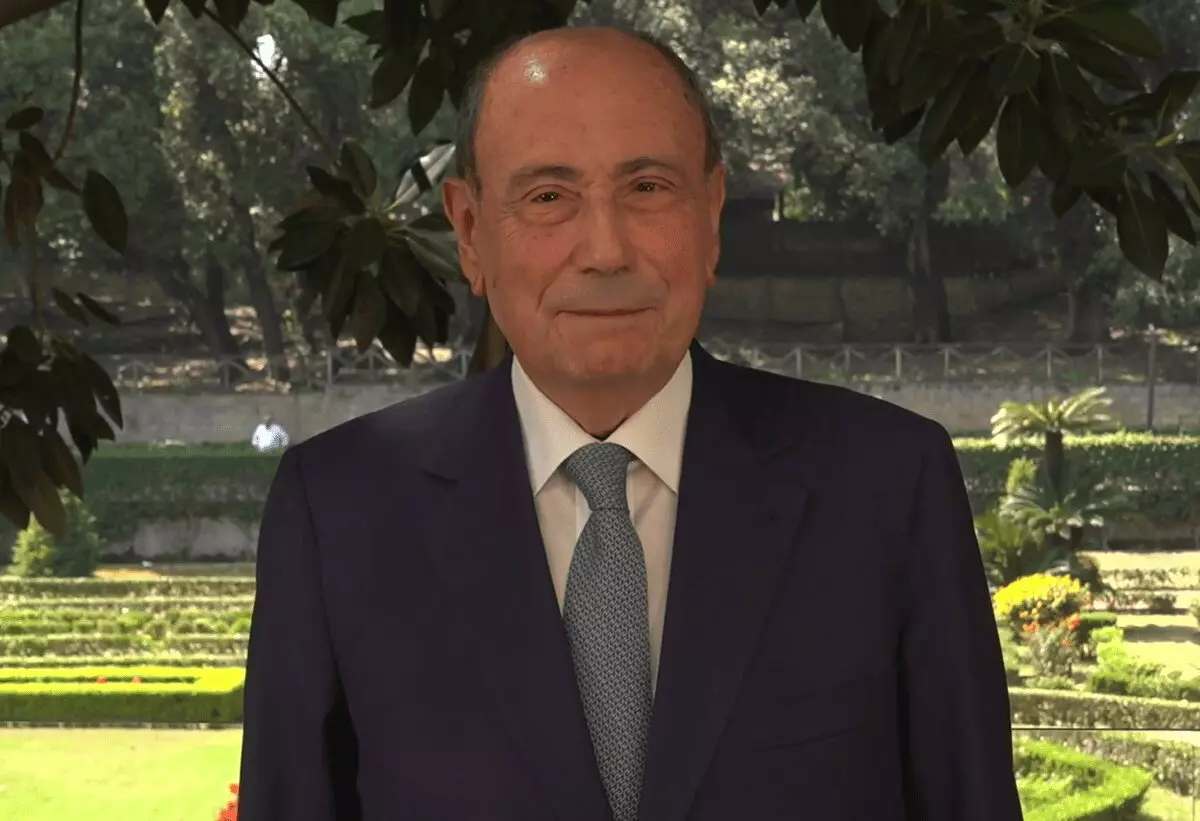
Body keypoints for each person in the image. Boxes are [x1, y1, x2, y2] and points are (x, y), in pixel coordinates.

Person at [238, 26, 1023, 821]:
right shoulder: (339, 512)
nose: (606, 250)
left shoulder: (888, 487)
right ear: (470, 231)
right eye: (549, 197)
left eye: (647, 187)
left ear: (711, 216)